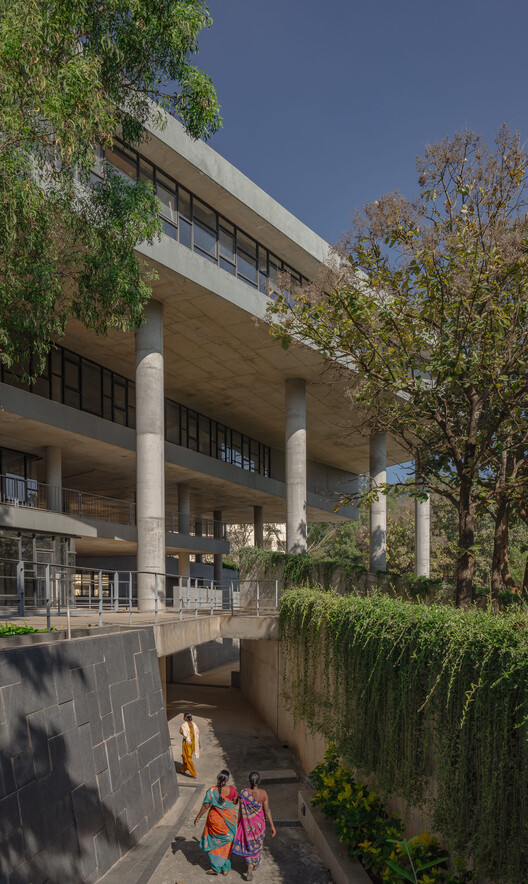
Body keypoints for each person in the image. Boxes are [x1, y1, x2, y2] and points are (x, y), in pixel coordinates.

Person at [232, 771, 276, 880]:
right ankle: (253, 864)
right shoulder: (263, 794)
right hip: (259, 824)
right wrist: (272, 826)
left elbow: (240, 812)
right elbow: (267, 810)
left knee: (247, 842)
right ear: (259, 781)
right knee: (257, 843)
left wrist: (237, 824)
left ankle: (249, 862)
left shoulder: (243, 793)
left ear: (249, 780)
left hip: (246, 823)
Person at [194, 769, 238, 876]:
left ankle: (215, 868)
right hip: (228, 823)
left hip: (215, 822)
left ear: (218, 778)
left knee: (214, 843)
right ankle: (226, 868)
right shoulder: (232, 790)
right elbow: (235, 802)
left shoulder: (211, 790)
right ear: (227, 780)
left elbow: (206, 806)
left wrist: (198, 817)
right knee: (227, 844)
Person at [179, 712, 200, 778]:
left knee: (188, 757)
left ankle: (193, 773)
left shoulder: (184, 725)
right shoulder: (194, 724)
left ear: (185, 718)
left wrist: (182, 732)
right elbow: (197, 735)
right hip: (193, 742)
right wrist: (199, 743)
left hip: (187, 743)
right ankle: (183, 769)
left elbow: (181, 732)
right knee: (185, 755)